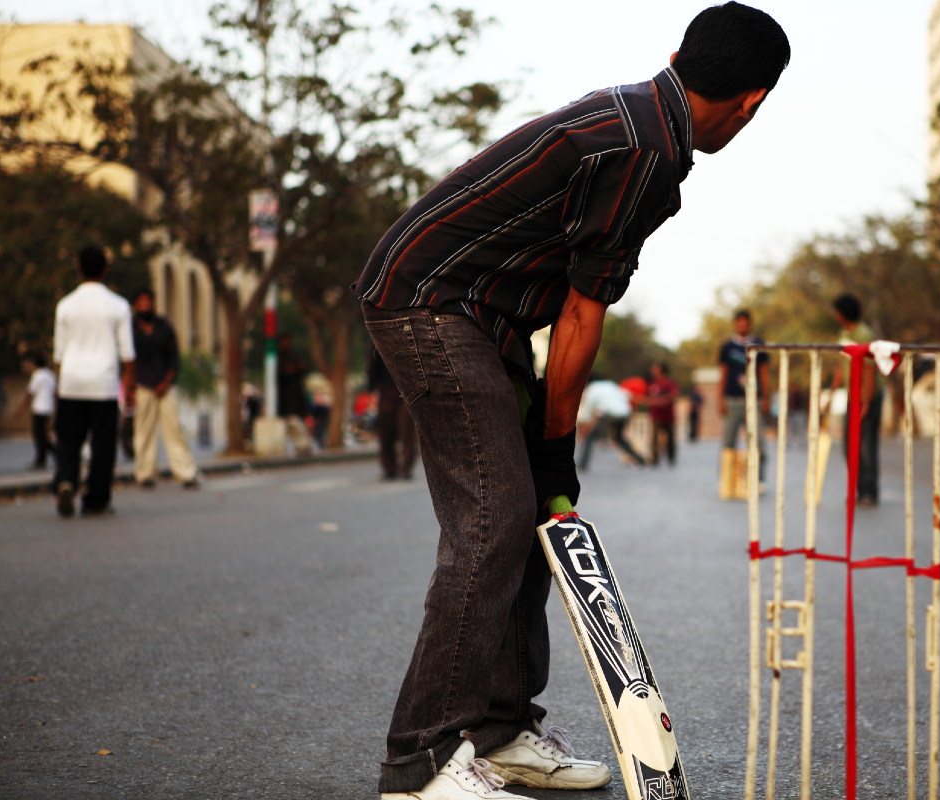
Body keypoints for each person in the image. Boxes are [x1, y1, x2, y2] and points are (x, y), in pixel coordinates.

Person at [351, 5, 789, 797]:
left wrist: (545, 442)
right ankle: (416, 763)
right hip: (431, 302)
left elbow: (563, 294)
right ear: (753, 102)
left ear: (677, 56)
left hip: (478, 312)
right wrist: (555, 446)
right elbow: (583, 315)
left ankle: (501, 730)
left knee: (526, 521)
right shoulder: (649, 152)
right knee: (495, 519)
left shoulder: (638, 113)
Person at [52, 246, 135, 517]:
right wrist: (130, 388)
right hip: (104, 384)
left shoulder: (65, 305)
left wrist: (59, 387)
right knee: (102, 445)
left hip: (71, 383)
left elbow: (59, 356)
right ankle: (96, 500)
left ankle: (66, 480)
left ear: (78, 269)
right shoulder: (118, 305)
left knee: (68, 441)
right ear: (105, 271)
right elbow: (127, 354)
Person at [131, 288, 199, 489]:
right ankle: (145, 474)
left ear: (153, 303)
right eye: (140, 302)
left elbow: (174, 358)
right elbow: (127, 359)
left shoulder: (164, 326)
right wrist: (129, 386)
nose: (144, 305)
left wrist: (165, 382)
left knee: (174, 429)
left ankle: (185, 472)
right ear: (136, 305)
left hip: (165, 386)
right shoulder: (130, 328)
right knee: (143, 431)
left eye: (148, 301)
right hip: (141, 385)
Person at [829, 293, 883, 506]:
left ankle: (870, 492)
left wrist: (867, 403)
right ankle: (859, 489)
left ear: (843, 313)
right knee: (848, 446)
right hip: (852, 397)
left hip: (868, 396)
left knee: (866, 446)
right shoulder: (844, 333)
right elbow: (841, 367)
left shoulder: (863, 333)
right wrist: (831, 393)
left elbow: (870, 370)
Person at [719, 309, 770, 476]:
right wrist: (721, 399)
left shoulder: (758, 344)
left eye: (745, 322)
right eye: (739, 322)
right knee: (728, 442)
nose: (742, 325)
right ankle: (727, 479)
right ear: (735, 324)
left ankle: (758, 478)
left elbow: (764, 373)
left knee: (757, 441)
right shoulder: (727, 347)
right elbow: (723, 373)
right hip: (732, 399)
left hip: (753, 400)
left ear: (749, 324)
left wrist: (765, 399)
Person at [369, 347, 419, 481]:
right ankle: (389, 466)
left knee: (406, 429)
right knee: (386, 430)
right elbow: (373, 360)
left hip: (409, 389)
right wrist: (371, 386)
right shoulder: (378, 333)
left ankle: (406, 466)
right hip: (387, 389)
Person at [578, 377, 646, 469]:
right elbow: (626, 395)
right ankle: (640, 459)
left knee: (590, 436)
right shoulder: (610, 384)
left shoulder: (592, 389)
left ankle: (582, 464)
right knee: (619, 438)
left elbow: (588, 409)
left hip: (610, 414)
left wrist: (586, 422)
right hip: (625, 412)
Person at [276, 335, 313, 456]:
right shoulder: (279, 359)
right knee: (291, 425)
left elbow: (302, 368)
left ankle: (303, 445)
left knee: (296, 423)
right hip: (285, 401)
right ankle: (301, 445)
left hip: (296, 400)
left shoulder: (294, 357)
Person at [25, 355, 57, 470]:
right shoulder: (50, 375)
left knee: (39, 435)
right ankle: (42, 459)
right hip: (48, 407)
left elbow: (30, 392)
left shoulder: (37, 375)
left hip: (39, 408)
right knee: (42, 434)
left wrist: (21, 409)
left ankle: (47, 457)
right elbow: (55, 392)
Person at [646, 361, 679, 466]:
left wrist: (662, 400)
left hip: (668, 415)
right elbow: (647, 397)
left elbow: (674, 394)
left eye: (655, 369)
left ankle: (671, 458)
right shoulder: (652, 383)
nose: (653, 371)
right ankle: (655, 458)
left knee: (670, 438)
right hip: (656, 415)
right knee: (654, 438)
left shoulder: (669, 383)